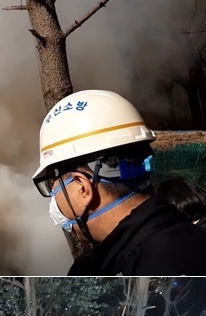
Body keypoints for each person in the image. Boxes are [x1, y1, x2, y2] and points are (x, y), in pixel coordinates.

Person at [32, 89, 206, 275]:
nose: (53, 197)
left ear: (82, 187)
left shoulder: (119, 276)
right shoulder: (193, 237)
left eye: (52, 184)